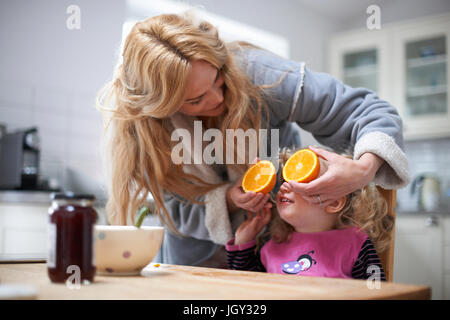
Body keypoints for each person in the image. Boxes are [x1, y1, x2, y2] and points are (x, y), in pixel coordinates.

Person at [96, 12, 410, 268]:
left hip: (276, 251)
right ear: (161, 107)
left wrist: (364, 169)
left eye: (218, 80)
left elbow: (370, 111)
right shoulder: (146, 129)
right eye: (196, 99)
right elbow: (173, 212)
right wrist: (229, 199)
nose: (219, 99)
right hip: (196, 264)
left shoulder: (258, 75)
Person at [226, 148, 390, 280]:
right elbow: (244, 287)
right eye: (285, 179)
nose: (284, 186)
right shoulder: (272, 245)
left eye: (301, 181)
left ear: (333, 202)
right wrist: (243, 242)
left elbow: (377, 289)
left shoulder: (355, 243)